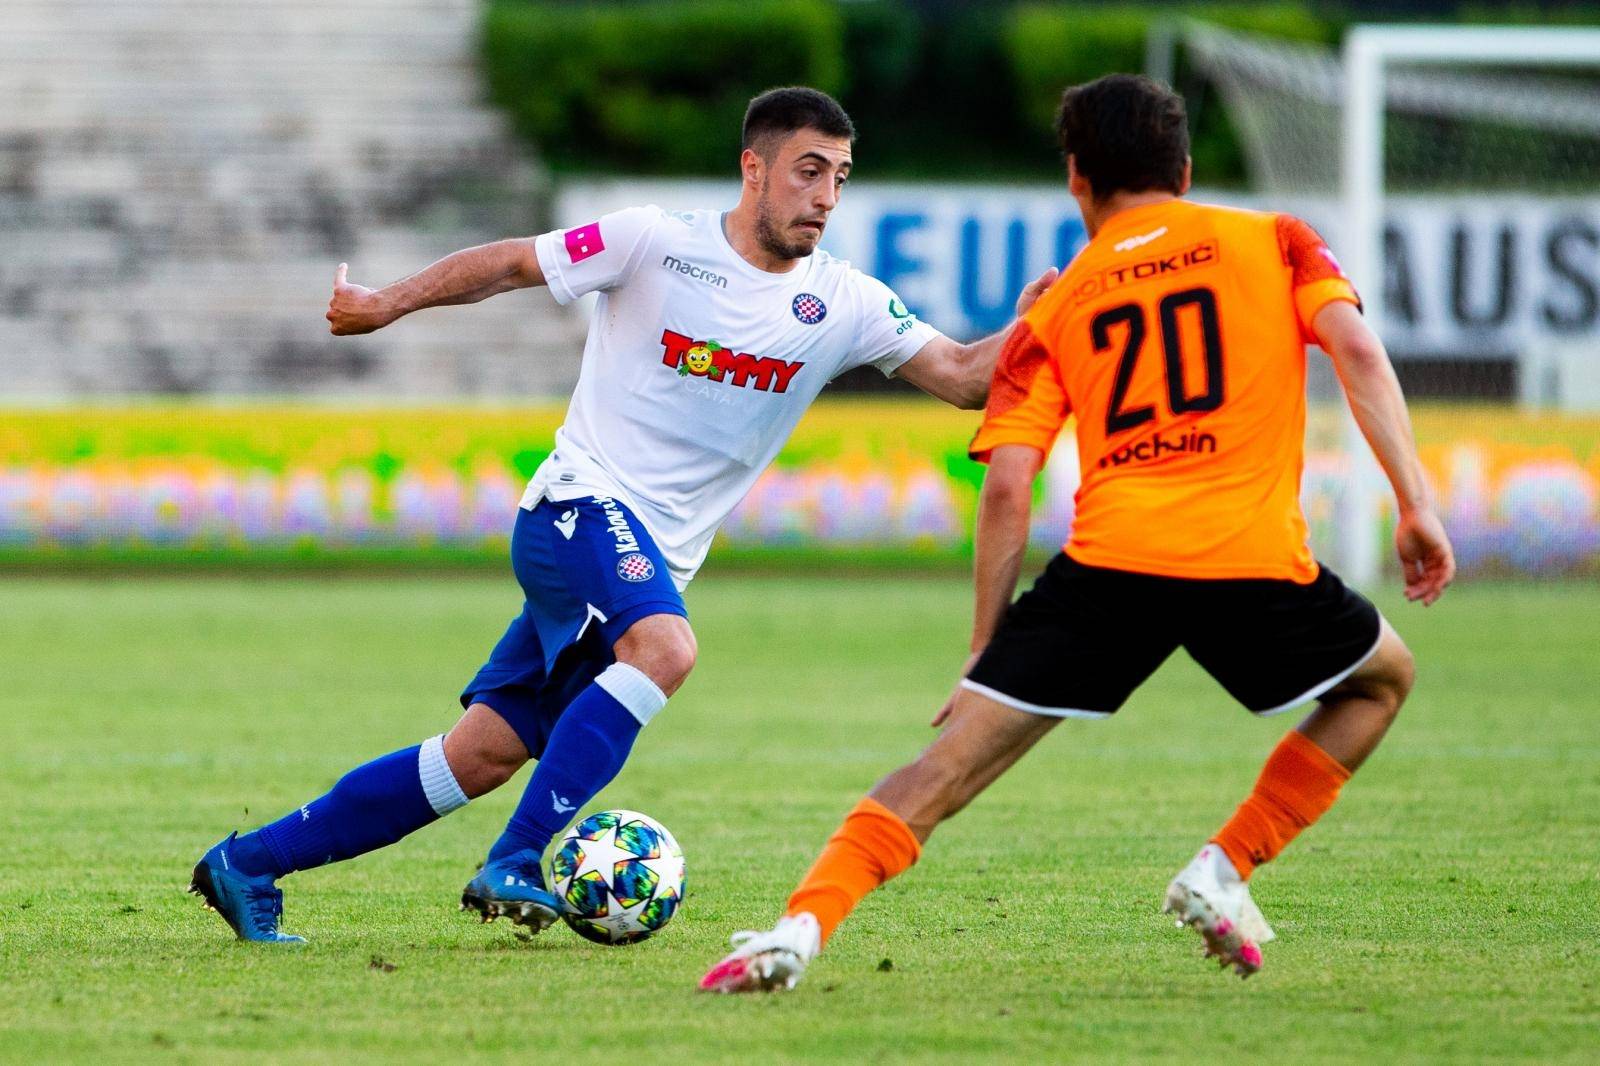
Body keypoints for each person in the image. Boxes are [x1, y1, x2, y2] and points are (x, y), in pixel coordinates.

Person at [187, 86, 1057, 943]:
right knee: (666, 649)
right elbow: (513, 263)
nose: (826, 197)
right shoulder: (654, 243)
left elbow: (964, 377)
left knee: (479, 754)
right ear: (754, 170)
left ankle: (247, 863)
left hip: (646, 563)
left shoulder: (845, 302)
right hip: (576, 507)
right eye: (808, 171)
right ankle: (520, 858)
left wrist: (1032, 329)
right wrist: (388, 304)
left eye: (840, 176)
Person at [700, 74, 1456, 993]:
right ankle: (1225, 867)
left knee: (940, 775)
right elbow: (1361, 352)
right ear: (1182, 167)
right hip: (1249, 559)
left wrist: (988, 644)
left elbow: (1010, 481)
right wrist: (1414, 501)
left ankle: (799, 930)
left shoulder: (1059, 305)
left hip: (1110, 571)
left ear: (1076, 181)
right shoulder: (1277, 241)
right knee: (1382, 680)